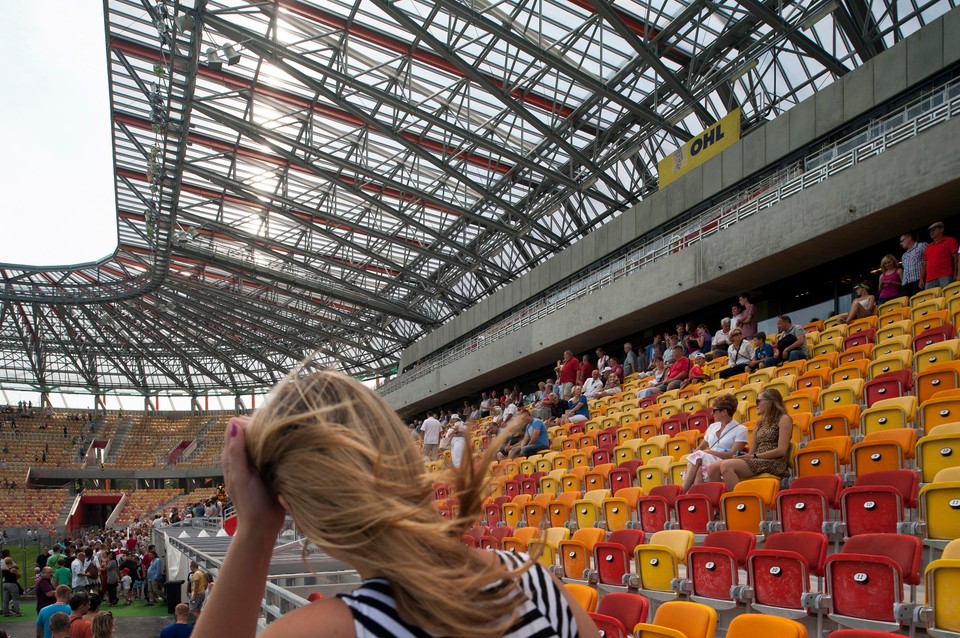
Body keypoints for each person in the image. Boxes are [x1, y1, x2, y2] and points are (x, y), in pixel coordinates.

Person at [192, 370, 597, 638]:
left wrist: (256, 531)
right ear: (405, 454)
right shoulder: (530, 581)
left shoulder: (328, 630)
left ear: (301, 514)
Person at [717, 389, 793, 490]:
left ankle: (741, 501)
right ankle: (720, 502)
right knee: (713, 467)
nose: (756, 404)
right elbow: (752, 451)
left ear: (770, 401)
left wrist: (755, 456)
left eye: (758, 401)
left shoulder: (784, 419)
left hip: (773, 462)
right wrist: (746, 456)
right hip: (757, 460)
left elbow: (781, 450)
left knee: (726, 466)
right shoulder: (759, 423)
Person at [680, 394, 748, 492]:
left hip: (723, 461)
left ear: (724, 412)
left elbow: (732, 455)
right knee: (699, 468)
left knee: (699, 456)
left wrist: (709, 452)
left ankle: (682, 492)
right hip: (706, 459)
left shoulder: (741, 430)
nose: (712, 413)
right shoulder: (713, 427)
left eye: (715, 410)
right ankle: (697, 499)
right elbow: (700, 447)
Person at [921, 221, 958, 289]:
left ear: (941, 229)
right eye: (930, 231)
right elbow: (925, 264)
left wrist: (956, 274)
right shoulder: (928, 247)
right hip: (929, 279)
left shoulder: (950, 241)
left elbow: (956, 258)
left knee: (946, 295)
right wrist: (921, 279)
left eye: (934, 230)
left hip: (945, 275)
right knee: (930, 298)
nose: (931, 232)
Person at [899, 231, 927, 297]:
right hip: (906, 284)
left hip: (918, 280)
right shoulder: (904, 255)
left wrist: (922, 278)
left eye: (902, 241)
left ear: (909, 238)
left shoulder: (922, 245)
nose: (901, 243)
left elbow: (928, 260)